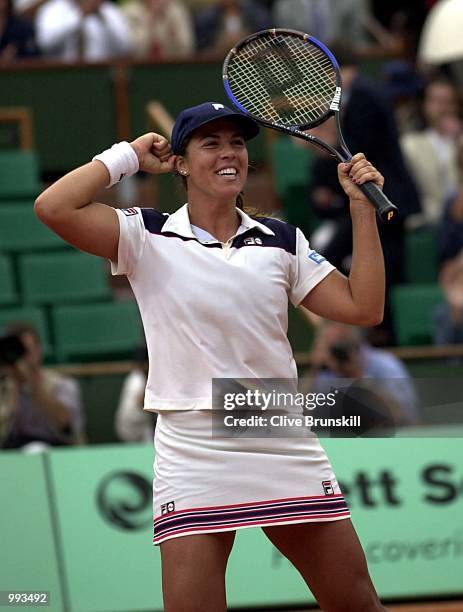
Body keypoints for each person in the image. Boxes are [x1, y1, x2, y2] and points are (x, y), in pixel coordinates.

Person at [34, 101, 386, 610]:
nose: (229, 154)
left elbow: (364, 306)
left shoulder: (282, 241)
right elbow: (53, 207)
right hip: (192, 444)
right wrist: (127, 156)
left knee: (357, 605)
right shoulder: (145, 234)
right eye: (211, 143)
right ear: (179, 161)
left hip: (273, 430)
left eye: (238, 143)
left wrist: (360, 209)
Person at [306, 321, 420, 427]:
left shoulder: (385, 365)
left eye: (342, 345)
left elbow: (404, 418)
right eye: (333, 347)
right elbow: (300, 417)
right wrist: (314, 368)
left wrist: (357, 376)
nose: (340, 355)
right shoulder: (326, 371)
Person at [0, 322, 85, 449]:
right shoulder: (4, 387)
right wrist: (14, 385)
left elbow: (66, 425)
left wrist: (33, 385)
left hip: (57, 451)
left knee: (36, 448)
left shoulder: (62, 384)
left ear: (38, 351)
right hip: (10, 454)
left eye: (26, 351)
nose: (21, 358)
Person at [401, 76, 461, 229]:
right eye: (437, 101)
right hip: (431, 221)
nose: (444, 108)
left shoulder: (459, 139)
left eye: (449, 102)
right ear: (425, 104)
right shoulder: (411, 144)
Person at [35, 0, 130, 61]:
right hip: (61, 75)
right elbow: (45, 43)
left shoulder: (109, 10)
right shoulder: (52, 9)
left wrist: (104, 20)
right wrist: (80, 15)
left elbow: (124, 49)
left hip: (100, 75)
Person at [122, 0, 195, 60]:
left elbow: (187, 50)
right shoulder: (129, 12)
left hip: (173, 68)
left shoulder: (177, 10)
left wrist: (171, 24)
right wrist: (152, 18)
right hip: (141, 69)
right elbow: (133, 51)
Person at [115, 345, 156, 442]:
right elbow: (140, 402)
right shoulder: (138, 378)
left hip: (132, 425)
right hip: (132, 425)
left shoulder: (135, 376)